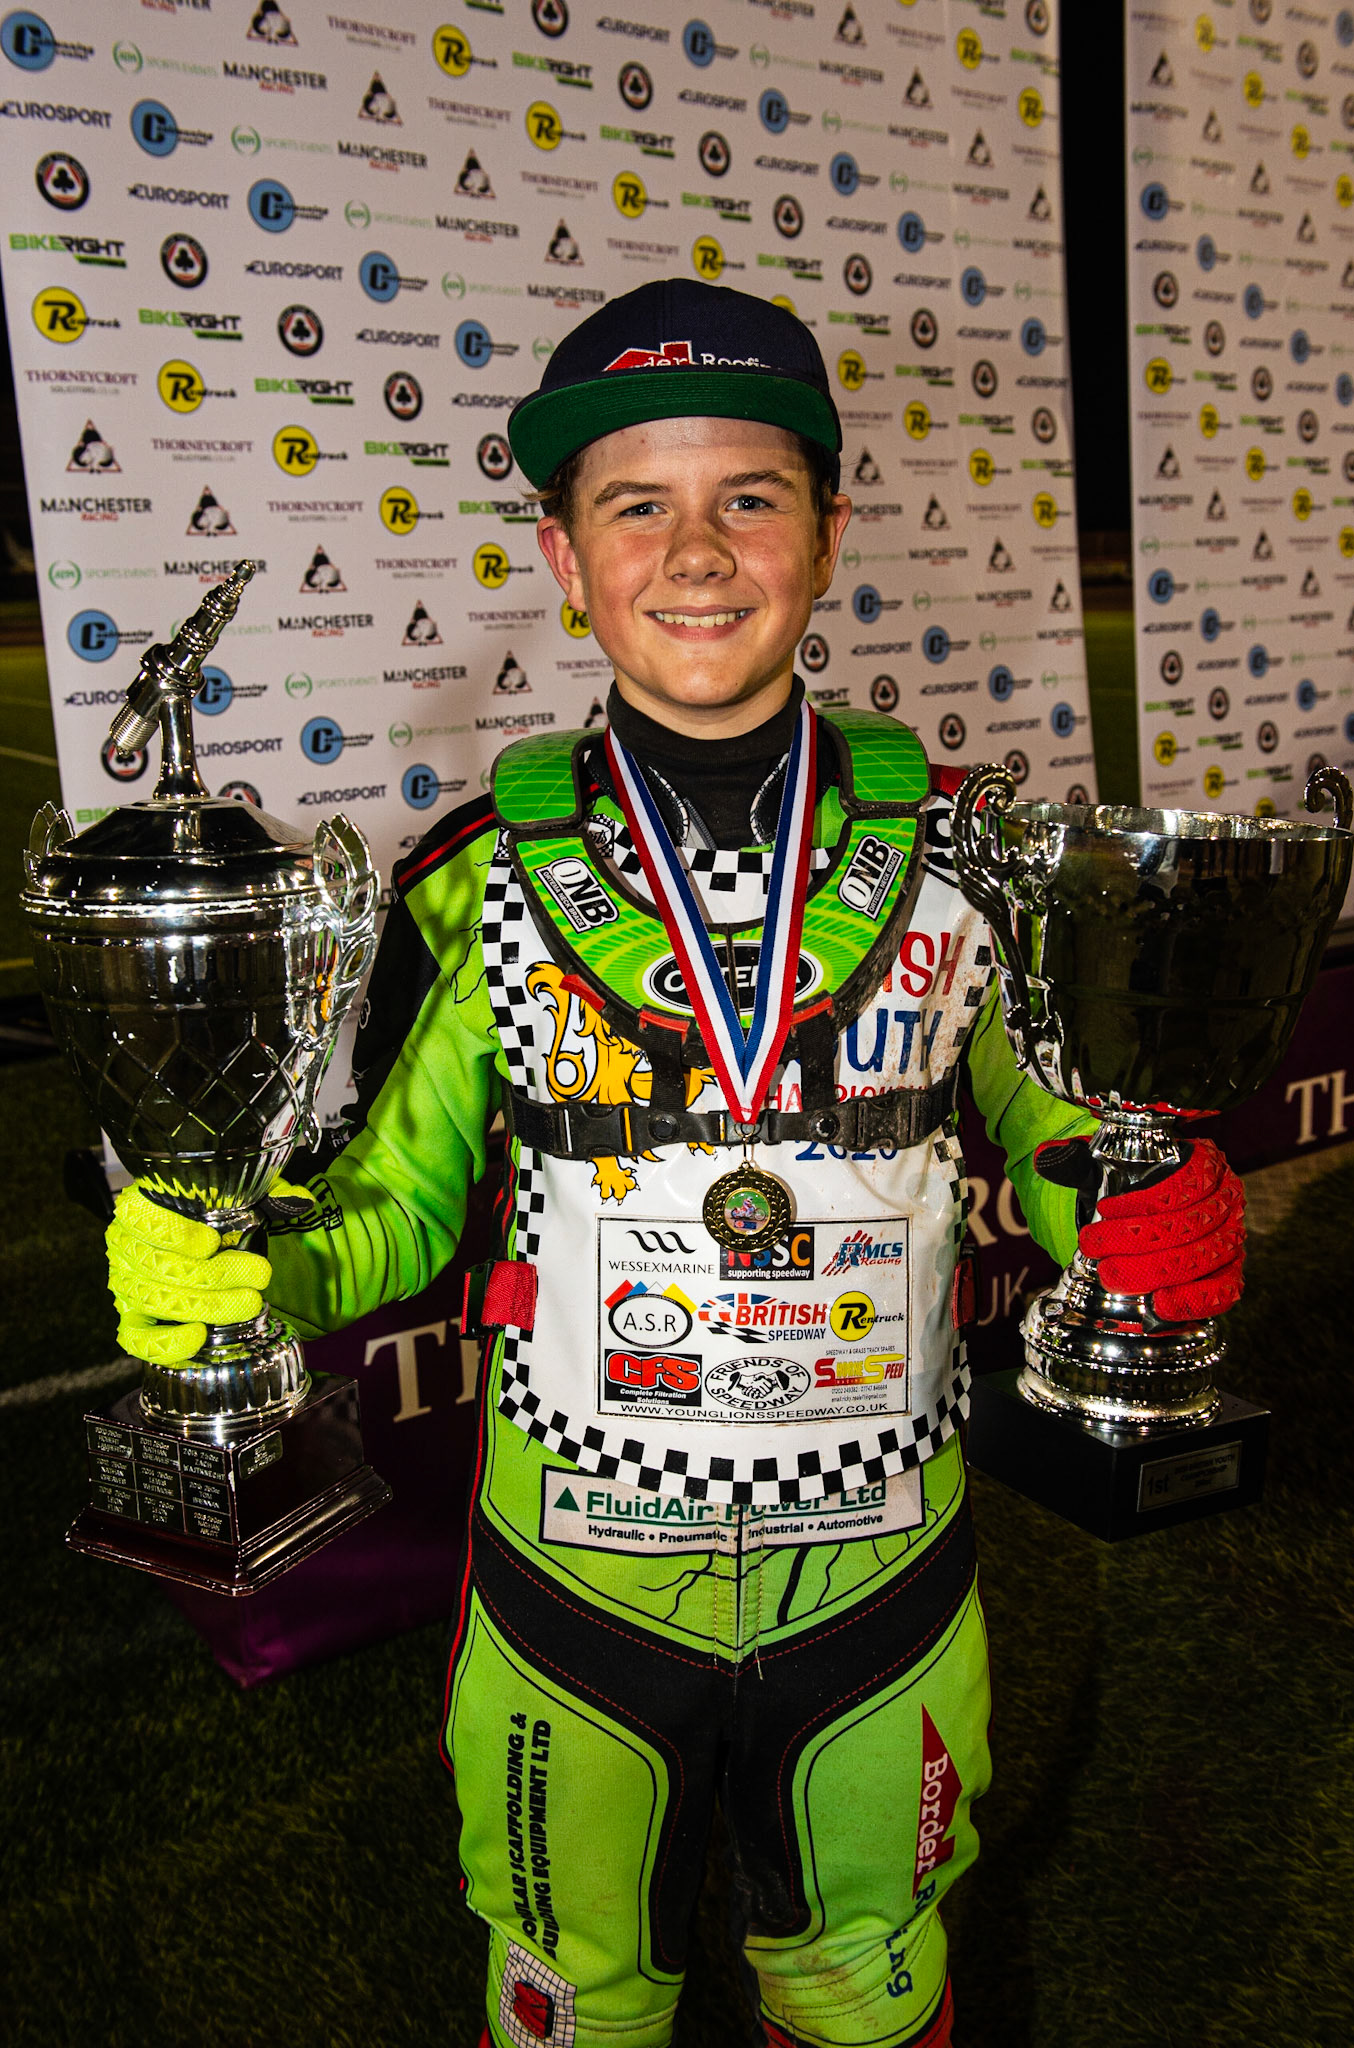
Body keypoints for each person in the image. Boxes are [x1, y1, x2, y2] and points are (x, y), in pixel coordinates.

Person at [106, 280, 1246, 2048]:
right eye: (635, 505)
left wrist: (1135, 1203)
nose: (696, 553)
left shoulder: (967, 849)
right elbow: (394, 1206)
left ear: (830, 530)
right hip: (576, 1575)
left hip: (882, 1567)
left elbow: (1047, 1133)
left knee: (868, 1992)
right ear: (565, 559)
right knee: (578, 2004)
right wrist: (244, 1276)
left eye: (750, 497)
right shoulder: (470, 875)